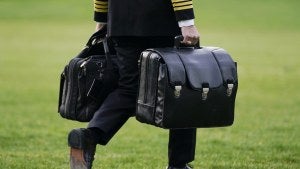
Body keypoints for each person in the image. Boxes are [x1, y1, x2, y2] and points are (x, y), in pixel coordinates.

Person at [67, 0, 200, 168]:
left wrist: (102, 20)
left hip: (121, 24)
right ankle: (179, 164)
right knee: (181, 88)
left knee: (129, 89)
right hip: (163, 22)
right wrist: (187, 22)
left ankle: (89, 136)